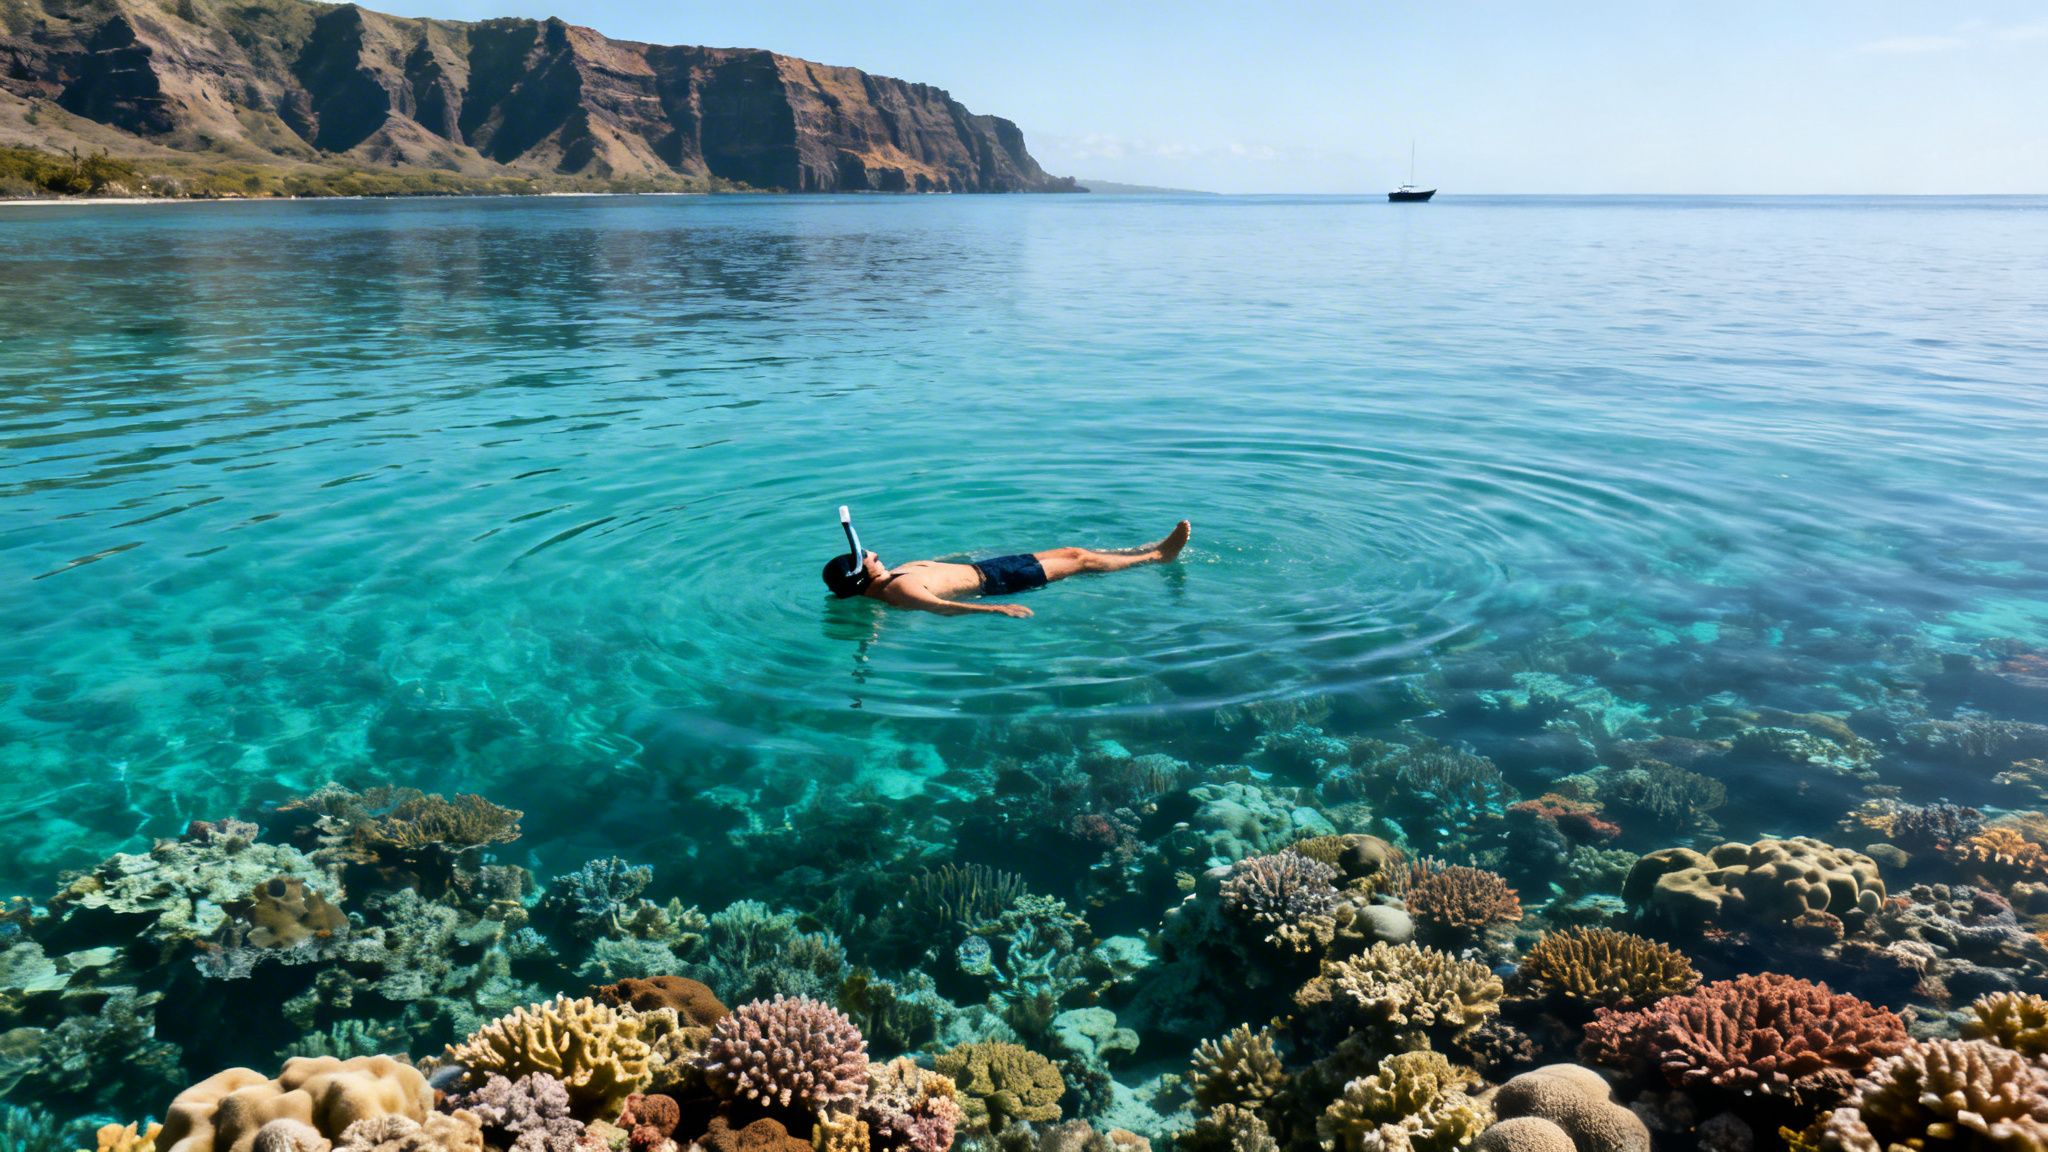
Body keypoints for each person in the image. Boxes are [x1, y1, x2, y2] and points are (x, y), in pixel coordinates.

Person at [822, 520, 1191, 618]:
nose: (874, 553)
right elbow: (942, 607)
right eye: (868, 557)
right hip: (1000, 583)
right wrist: (995, 608)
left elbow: (938, 566)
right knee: (1080, 564)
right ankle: (1157, 558)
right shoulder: (896, 591)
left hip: (989, 566)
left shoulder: (894, 574)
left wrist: (970, 553)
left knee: (1072, 551)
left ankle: (1139, 552)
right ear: (862, 574)